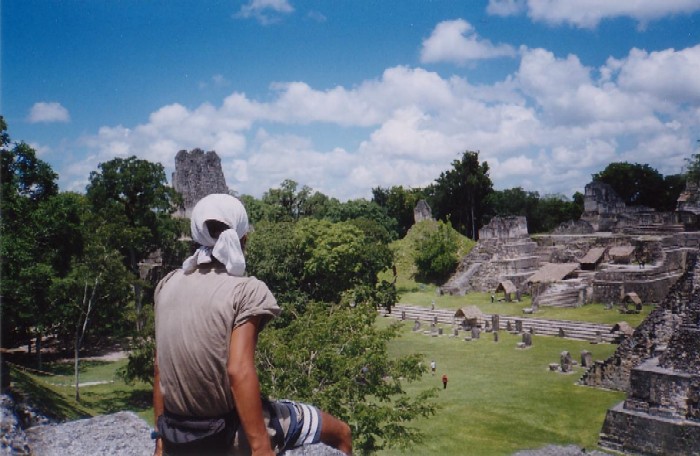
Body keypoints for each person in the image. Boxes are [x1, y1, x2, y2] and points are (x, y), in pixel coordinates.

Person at [153, 194, 352, 456]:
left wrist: (161, 440)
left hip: (177, 432)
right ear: (243, 238)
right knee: (341, 432)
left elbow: (159, 368)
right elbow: (238, 370)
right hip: (223, 433)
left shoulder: (167, 284)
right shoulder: (247, 291)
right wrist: (260, 448)